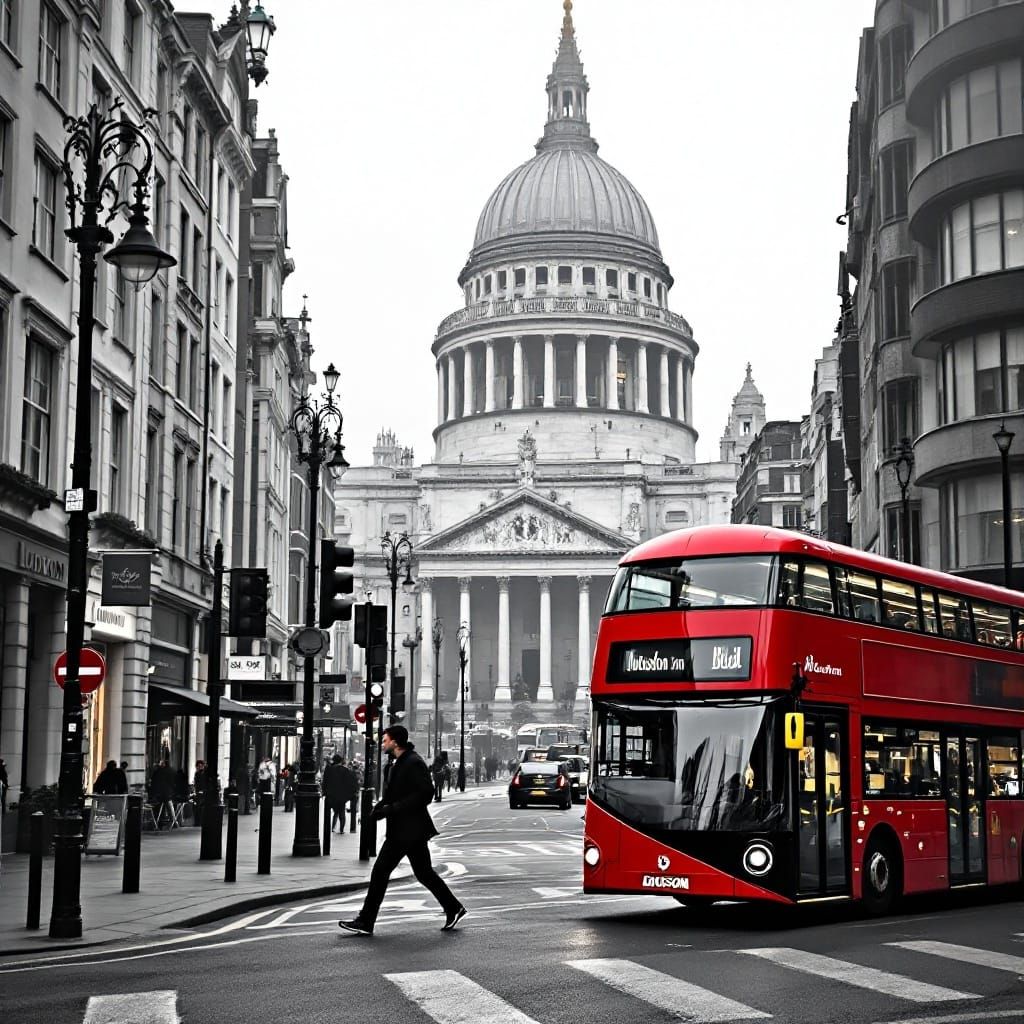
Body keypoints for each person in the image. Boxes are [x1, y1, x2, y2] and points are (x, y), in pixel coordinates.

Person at [338, 725, 465, 936]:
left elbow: (426, 793)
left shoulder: (413, 762)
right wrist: (378, 809)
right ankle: (453, 907)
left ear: (396, 742)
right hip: (407, 829)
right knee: (424, 873)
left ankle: (366, 920)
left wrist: (392, 809)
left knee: (380, 871)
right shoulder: (399, 762)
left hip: (407, 829)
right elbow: (393, 795)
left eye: (385, 739)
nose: (383, 743)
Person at [323, 754, 359, 831]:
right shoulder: (346, 770)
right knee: (341, 812)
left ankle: (332, 828)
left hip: (332, 795)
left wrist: (325, 792)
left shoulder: (330, 770)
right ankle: (341, 829)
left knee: (335, 813)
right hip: (342, 796)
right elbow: (351, 783)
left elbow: (325, 782)